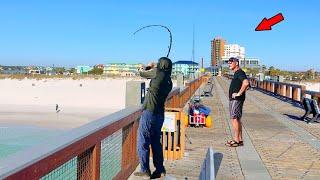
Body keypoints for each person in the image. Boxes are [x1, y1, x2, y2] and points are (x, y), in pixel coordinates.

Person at [134, 57, 173, 179]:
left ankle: (145, 170)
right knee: (156, 142)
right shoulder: (169, 81)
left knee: (143, 141)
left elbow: (141, 73)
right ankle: (160, 169)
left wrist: (148, 66)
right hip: (160, 114)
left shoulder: (157, 72)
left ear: (161, 65)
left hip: (149, 112)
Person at [226, 57, 249, 147]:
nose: (229, 64)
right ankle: (240, 140)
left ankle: (236, 140)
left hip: (236, 100)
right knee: (237, 119)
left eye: (231, 63)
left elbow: (246, 83)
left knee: (234, 118)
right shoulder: (237, 73)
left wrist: (238, 93)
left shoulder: (239, 72)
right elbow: (247, 85)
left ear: (236, 63)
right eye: (228, 63)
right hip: (236, 100)